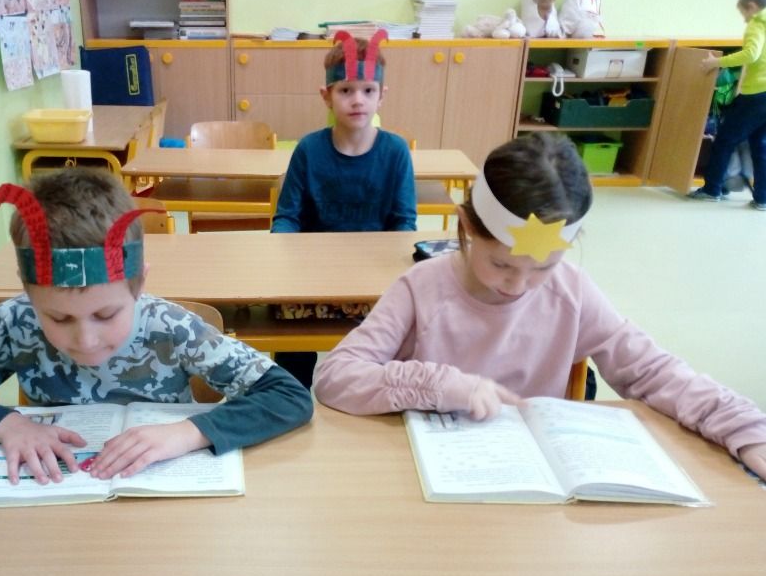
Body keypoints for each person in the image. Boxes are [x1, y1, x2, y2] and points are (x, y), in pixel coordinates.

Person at [314, 132, 766, 483]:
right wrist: (440, 384)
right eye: (501, 264)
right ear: (465, 226)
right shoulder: (422, 288)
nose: (519, 285)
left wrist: (745, 429)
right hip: (425, 476)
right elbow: (336, 378)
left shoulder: (572, 292)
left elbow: (654, 372)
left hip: (532, 487)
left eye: (544, 267)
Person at [0, 168, 313, 484]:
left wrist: (189, 433)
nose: (86, 339)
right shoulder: (15, 322)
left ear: (139, 284)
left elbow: (288, 395)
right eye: (58, 318)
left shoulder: (172, 327)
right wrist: (6, 424)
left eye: (106, 315)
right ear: (27, 290)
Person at [270, 29, 417, 388]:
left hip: (371, 278)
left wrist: (391, 277)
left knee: (388, 348)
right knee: (288, 341)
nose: (357, 100)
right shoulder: (309, 149)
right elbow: (287, 216)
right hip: (311, 277)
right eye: (346, 90)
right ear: (327, 96)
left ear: (382, 96)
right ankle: (292, 395)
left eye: (368, 91)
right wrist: (279, 258)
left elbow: (404, 223)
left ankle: (372, 396)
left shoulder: (396, 152)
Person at [689, 0, 766, 210]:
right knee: (760, 145)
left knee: (724, 140)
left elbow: (751, 54)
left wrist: (717, 62)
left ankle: (712, 189)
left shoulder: (756, 24)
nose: (744, 19)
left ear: (752, 6)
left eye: (744, 14)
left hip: (755, 95)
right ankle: (762, 198)